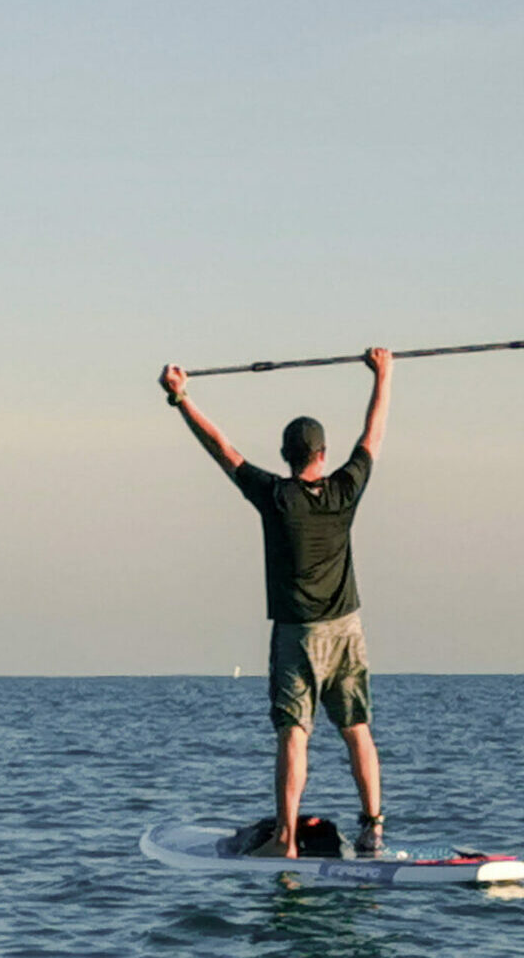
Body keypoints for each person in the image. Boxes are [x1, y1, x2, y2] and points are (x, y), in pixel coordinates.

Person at [157, 348, 393, 858]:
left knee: (294, 734)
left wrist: (181, 399)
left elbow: (221, 448)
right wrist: (384, 374)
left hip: (298, 634)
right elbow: (372, 435)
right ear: (322, 454)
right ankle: (373, 829)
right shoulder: (345, 490)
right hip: (348, 630)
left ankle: (286, 840)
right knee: (357, 730)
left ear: (287, 456)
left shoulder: (275, 496)